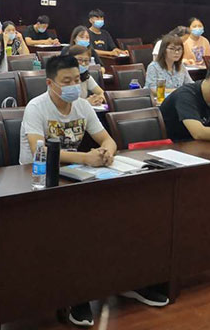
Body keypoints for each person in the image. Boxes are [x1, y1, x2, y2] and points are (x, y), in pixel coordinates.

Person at [20, 62, 167, 323]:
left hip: (75, 177)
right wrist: (85, 158)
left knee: (124, 216)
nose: (73, 86)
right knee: (79, 226)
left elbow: (107, 139)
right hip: (37, 180)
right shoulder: (36, 107)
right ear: (50, 84)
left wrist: (106, 152)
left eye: (76, 80)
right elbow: (39, 150)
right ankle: (77, 295)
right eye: (66, 81)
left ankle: (128, 280)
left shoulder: (83, 106)